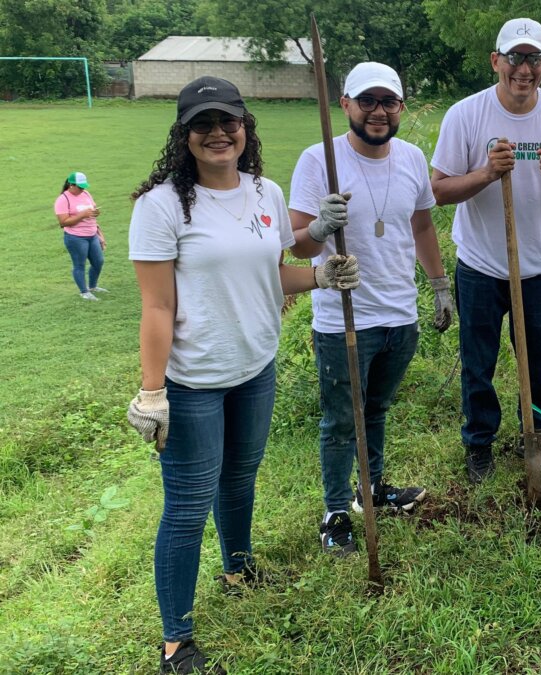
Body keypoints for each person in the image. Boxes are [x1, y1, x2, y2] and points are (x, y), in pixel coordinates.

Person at [126, 75, 359, 674]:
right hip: (194, 380)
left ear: (245, 127)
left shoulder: (265, 192)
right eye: (203, 124)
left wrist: (320, 271)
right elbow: (156, 305)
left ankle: (238, 568)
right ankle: (175, 643)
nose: (217, 132)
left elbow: (273, 270)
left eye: (228, 120)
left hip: (255, 366)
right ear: (184, 136)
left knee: (240, 478)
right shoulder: (161, 206)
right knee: (186, 505)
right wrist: (153, 391)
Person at [289, 62, 453, 557]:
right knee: (342, 420)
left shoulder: (409, 157)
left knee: (377, 410)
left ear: (400, 107)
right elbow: (295, 246)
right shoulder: (318, 160)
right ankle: (335, 511)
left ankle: (372, 490)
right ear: (346, 105)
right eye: (368, 101)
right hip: (344, 318)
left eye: (388, 102)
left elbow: (422, 227)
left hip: (399, 315)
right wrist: (318, 230)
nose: (378, 111)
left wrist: (440, 286)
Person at [431, 17, 541, 482]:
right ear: (496, 61)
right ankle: (479, 445)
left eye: (534, 59)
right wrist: (485, 174)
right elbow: (438, 191)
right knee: (478, 363)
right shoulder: (466, 114)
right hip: (481, 264)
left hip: (539, 265)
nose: (524, 68)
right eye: (515, 57)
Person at [55, 171, 108, 300]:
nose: (83, 189)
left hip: (92, 234)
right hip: (76, 237)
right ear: (71, 185)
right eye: (80, 187)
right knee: (79, 264)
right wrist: (82, 215)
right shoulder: (63, 199)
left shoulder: (86, 193)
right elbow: (63, 222)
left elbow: (92, 212)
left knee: (98, 261)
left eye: (84, 186)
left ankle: (93, 286)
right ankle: (84, 292)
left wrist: (96, 216)